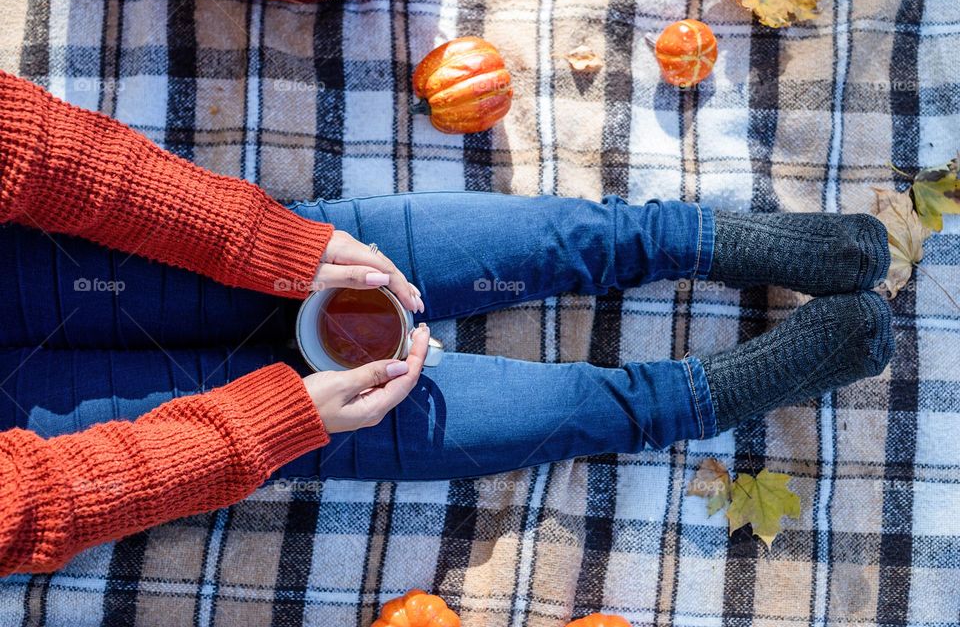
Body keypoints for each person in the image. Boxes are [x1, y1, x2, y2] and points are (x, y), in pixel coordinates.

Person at [0, 70, 893, 575]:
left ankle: (692, 237)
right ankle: (690, 394)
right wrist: (278, 422)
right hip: (27, 437)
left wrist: (265, 237)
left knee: (355, 259)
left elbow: (28, 145)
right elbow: (34, 506)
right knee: (350, 421)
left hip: (24, 260)